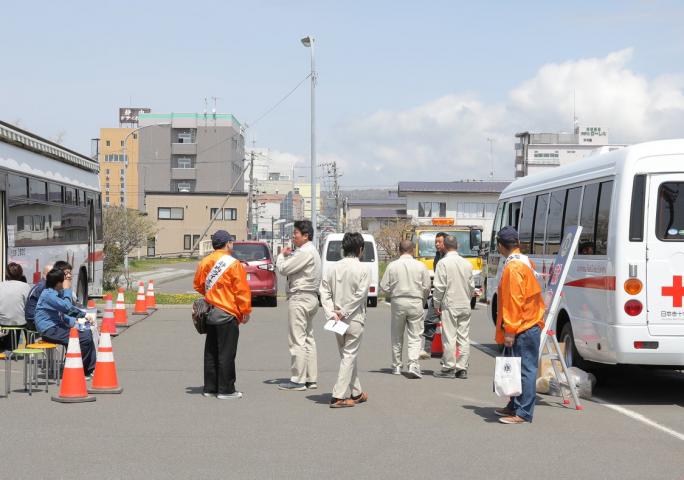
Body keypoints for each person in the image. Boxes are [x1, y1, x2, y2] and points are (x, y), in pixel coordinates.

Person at [494, 226, 546, 424]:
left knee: (524, 369)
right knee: (517, 368)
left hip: (523, 324)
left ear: (501, 245)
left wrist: (510, 330)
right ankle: (514, 405)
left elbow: (514, 300)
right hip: (529, 321)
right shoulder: (523, 261)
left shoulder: (513, 267)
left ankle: (523, 412)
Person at [193, 230, 252, 400]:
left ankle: (210, 388)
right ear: (227, 243)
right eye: (231, 242)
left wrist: (211, 294)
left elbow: (198, 285)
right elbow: (241, 290)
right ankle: (226, 390)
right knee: (226, 352)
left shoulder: (205, 261)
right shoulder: (233, 264)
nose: (232, 245)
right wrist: (245, 311)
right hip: (227, 312)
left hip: (210, 312)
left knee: (211, 351)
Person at [320, 232, 370, 408]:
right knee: (349, 355)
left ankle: (356, 392)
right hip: (354, 318)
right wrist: (345, 311)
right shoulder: (364, 269)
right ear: (360, 249)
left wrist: (331, 312)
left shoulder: (332, 268)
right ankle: (337, 397)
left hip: (335, 319)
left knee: (347, 356)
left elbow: (324, 292)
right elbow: (361, 295)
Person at [275, 220, 321, 391]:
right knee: (308, 338)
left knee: (297, 339)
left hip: (300, 297)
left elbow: (284, 268)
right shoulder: (313, 251)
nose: (293, 236)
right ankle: (310, 378)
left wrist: (281, 255)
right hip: (311, 298)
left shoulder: (304, 251)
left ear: (306, 235)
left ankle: (298, 379)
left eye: (296, 233)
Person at [380, 240, 431, 378]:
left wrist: (393, 293)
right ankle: (413, 364)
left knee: (397, 334)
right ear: (413, 250)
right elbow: (427, 287)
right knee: (415, 335)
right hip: (416, 300)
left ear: (399, 250)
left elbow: (384, 286)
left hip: (398, 301)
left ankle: (396, 366)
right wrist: (423, 299)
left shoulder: (392, 265)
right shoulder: (421, 266)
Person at [35, 268, 97, 376]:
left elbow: (64, 313)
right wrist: (68, 289)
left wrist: (77, 321)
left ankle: (89, 368)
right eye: (64, 280)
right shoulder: (48, 295)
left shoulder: (53, 292)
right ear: (58, 283)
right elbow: (67, 308)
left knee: (86, 332)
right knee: (84, 337)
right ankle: (79, 370)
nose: (66, 282)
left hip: (56, 327)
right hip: (49, 330)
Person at [432, 235, 474, 379]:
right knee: (464, 336)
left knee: (450, 336)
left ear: (444, 246)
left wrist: (436, 303)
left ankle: (449, 367)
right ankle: (462, 368)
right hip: (465, 303)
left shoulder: (443, 263)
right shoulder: (467, 264)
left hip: (450, 303)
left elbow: (439, 286)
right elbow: (471, 286)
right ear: (458, 246)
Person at [420, 232, 448, 359]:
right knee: (429, 320)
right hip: (437, 292)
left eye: (439, 242)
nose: (437, 244)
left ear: (446, 242)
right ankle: (426, 349)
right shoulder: (437, 256)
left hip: (448, 296)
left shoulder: (449, 258)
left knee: (449, 326)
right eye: (436, 241)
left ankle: (452, 357)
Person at [0, 263, 32, 351]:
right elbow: (28, 306)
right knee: (27, 320)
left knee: (13, 318)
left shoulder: (1, 285)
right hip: (20, 322)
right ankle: (30, 346)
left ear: (6, 273)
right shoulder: (25, 286)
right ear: (21, 274)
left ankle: (9, 348)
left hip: (3, 322)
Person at [24, 262, 55, 330]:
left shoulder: (41, 285)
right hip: (35, 321)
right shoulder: (45, 287)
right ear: (49, 274)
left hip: (32, 319)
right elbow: (56, 305)